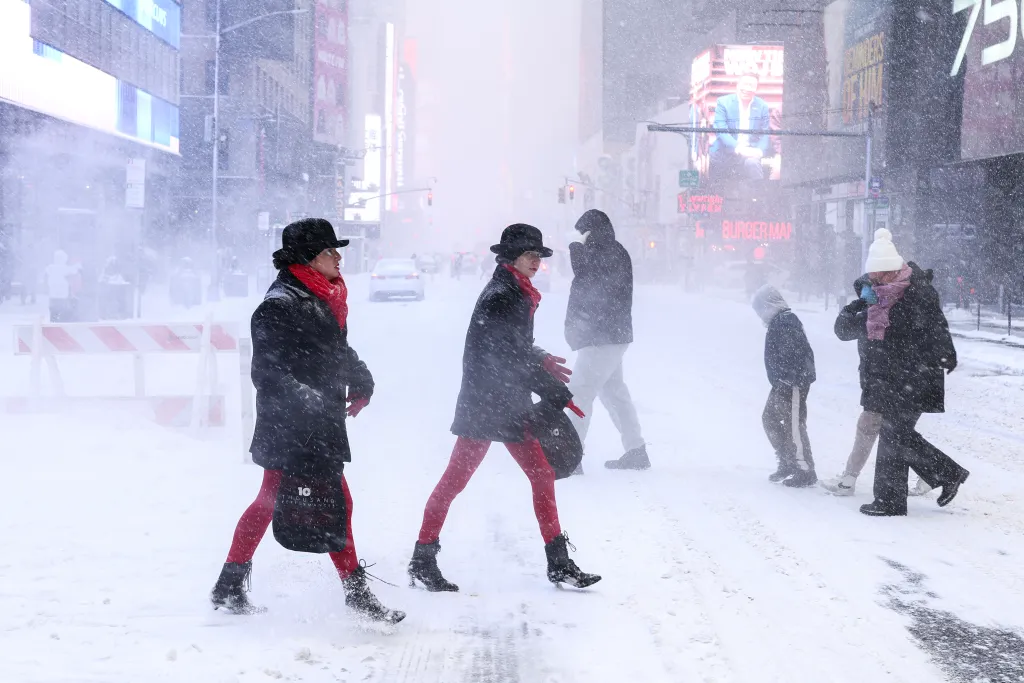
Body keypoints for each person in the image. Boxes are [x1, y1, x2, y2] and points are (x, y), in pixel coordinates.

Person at [210, 218, 404, 623]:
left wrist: (361, 377)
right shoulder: (278, 304)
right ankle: (355, 592)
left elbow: (333, 350)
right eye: (330, 251)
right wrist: (307, 400)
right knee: (331, 500)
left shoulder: (320, 296)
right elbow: (267, 372)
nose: (338, 258)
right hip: (292, 425)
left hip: (316, 421)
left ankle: (229, 584)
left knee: (273, 501)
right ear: (309, 258)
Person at [408, 224, 601, 592]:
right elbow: (505, 354)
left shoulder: (514, 290)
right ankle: (422, 558)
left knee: (541, 475)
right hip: (486, 404)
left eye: (539, 255)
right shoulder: (503, 294)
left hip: (507, 402)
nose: (535, 261)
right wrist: (553, 390)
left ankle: (558, 563)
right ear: (510, 257)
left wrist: (541, 360)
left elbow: (512, 346)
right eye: (529, 254)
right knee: (454, 482)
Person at [830, 229, 969, 516]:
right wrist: (861, 303)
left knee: (894, 434)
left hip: (911, 377)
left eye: (877, 275)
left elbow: (932, 326)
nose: (874, 281)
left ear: (891, 270)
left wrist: (945, 354)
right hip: (895, 378)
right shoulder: (881, 298)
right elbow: (844, 329)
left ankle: (892, 500)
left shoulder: (909, 295)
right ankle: (946, 473)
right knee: (899, 434)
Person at [823, 274, 932, 497]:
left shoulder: (879, 312)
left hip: (885, 385)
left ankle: (848, 480)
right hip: (885, 383)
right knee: (898, 435)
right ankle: (931, 473)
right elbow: (844, 330)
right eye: (862, 290)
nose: (865, 293)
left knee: (871, 429)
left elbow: (842, 329)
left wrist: (856, 306)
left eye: (869, 289)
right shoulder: (875, 311)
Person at [564, 209, 648, 472]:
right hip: (610, 335)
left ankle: (571, 457)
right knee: (614, 393)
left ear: (591, 231)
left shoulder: (605, 251)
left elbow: (587, 280)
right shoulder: (614, 250)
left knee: (580, 393)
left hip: (602, 336)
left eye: (583, 233)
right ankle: (636, 450)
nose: (581, 238)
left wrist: (576, 250)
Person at [751, 285, 817, 487]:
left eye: (760, 310)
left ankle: (805, 470)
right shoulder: (777, 322)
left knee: (793, 424)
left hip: (793, 382)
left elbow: (794, 354)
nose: (760, 315)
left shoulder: (786, 321)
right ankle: (788, 461)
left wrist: (790, 377)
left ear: (769, 305)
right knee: (770, 418)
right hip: (782, 381)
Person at [709, 74, 772, 182]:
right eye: (744, 84)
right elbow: (721, 131)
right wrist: (739, 148)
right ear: (737, 85)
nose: (747, 89)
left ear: (757, 88)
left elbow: (765, 133)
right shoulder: (723, 102)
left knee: (752, 164)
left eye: (751, 85)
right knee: (715, 162)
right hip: (725, 150)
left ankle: (759, 195)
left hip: (751, 152)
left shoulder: (762, 106)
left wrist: (758, 151)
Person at [45, 249, 81, 322]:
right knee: (62, 311)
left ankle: (53, 323)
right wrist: (77, 265)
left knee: (53, 311)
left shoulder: (50, 268)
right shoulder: (62, 268)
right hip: (62, 295)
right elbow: (73, 270)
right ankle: (60, 323)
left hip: (52, 295)